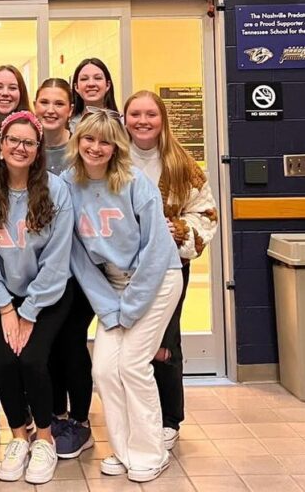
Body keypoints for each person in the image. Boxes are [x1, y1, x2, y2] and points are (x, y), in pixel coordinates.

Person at [63, 111, 182, 484]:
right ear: (77, 142)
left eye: (104, 141)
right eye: (89, 140)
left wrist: (129, 309)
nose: (95, 148)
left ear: (116, 146)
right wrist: (109, 306)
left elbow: (158, 250)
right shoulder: (67, 184)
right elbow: (77, 257)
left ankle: (151, 452)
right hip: (112, 287)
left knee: (132, 365)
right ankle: (124, 449)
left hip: (157, 280)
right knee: (102, 369)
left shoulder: (135, 183)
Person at [0, 111, 73, 485]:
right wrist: (6, 306)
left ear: (38, 149)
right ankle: (18, 436)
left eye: (29, 142)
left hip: (50, 293)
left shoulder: (56, 190)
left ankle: (44, 439)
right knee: (4, 363)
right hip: (2, 295)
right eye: (14, 140)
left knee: (31, 360)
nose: (20, 148)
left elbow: (58, 262)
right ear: (0, 146)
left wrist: (28, 312)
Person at [124, 90, 219, 452]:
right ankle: (135, 415)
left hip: (169, 268)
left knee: (164, 344)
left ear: (162, 118)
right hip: (124, 271)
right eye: (135, 114)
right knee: (127, 343)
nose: (143, 121)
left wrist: (176, 230)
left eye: (150, 114)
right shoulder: (114, 157)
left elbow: (206, 213)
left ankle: (168, 418)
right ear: (125, 118)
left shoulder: (181, 164)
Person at [34, 79, 93, 460]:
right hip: (42, 268)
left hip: (83, 265)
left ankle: (82, 421)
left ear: (70, 108)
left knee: (72, 342)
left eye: (59, 103)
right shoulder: (28, 148)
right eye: (44, 102)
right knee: (49, 344)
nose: (51, 109)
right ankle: (56, 416)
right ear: (35, 106)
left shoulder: (83, 148)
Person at [70, 58, 119, 129]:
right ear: (76, 87)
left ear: (107, 85)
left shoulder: (122, 124)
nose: (91, 84)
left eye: (98, 78)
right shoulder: (67, 126)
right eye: (84, 79)